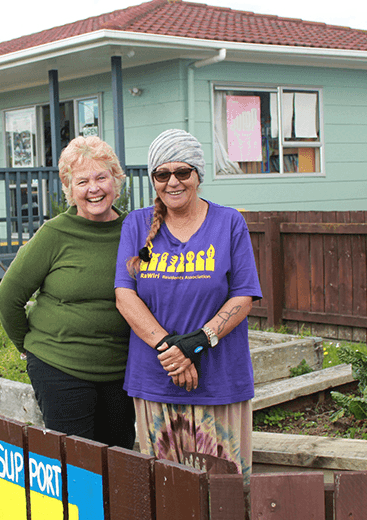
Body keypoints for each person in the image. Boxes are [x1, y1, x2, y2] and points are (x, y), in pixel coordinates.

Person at [114, 129, 262, 475]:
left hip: (220, 383)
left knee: (225, 490)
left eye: (183, 172)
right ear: (153, 179)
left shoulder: (228, 223)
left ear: (198, 175)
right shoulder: (136, 225)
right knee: (166, 492)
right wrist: (171, 349)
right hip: (155, 380)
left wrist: (197, 342)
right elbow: (125, 295)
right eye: (162, 174)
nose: (173, 182)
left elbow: (243, 295)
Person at [0, 135, 135, 449]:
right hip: (60, 366)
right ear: (70, 190)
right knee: (76, 462)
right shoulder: (54, 234)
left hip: (121, 369)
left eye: (102, 177)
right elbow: (7, 297)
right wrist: (26, 345)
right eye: (82, 181)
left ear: (116, 180)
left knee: (121, 457)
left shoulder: (135, 231)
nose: (94, 188)